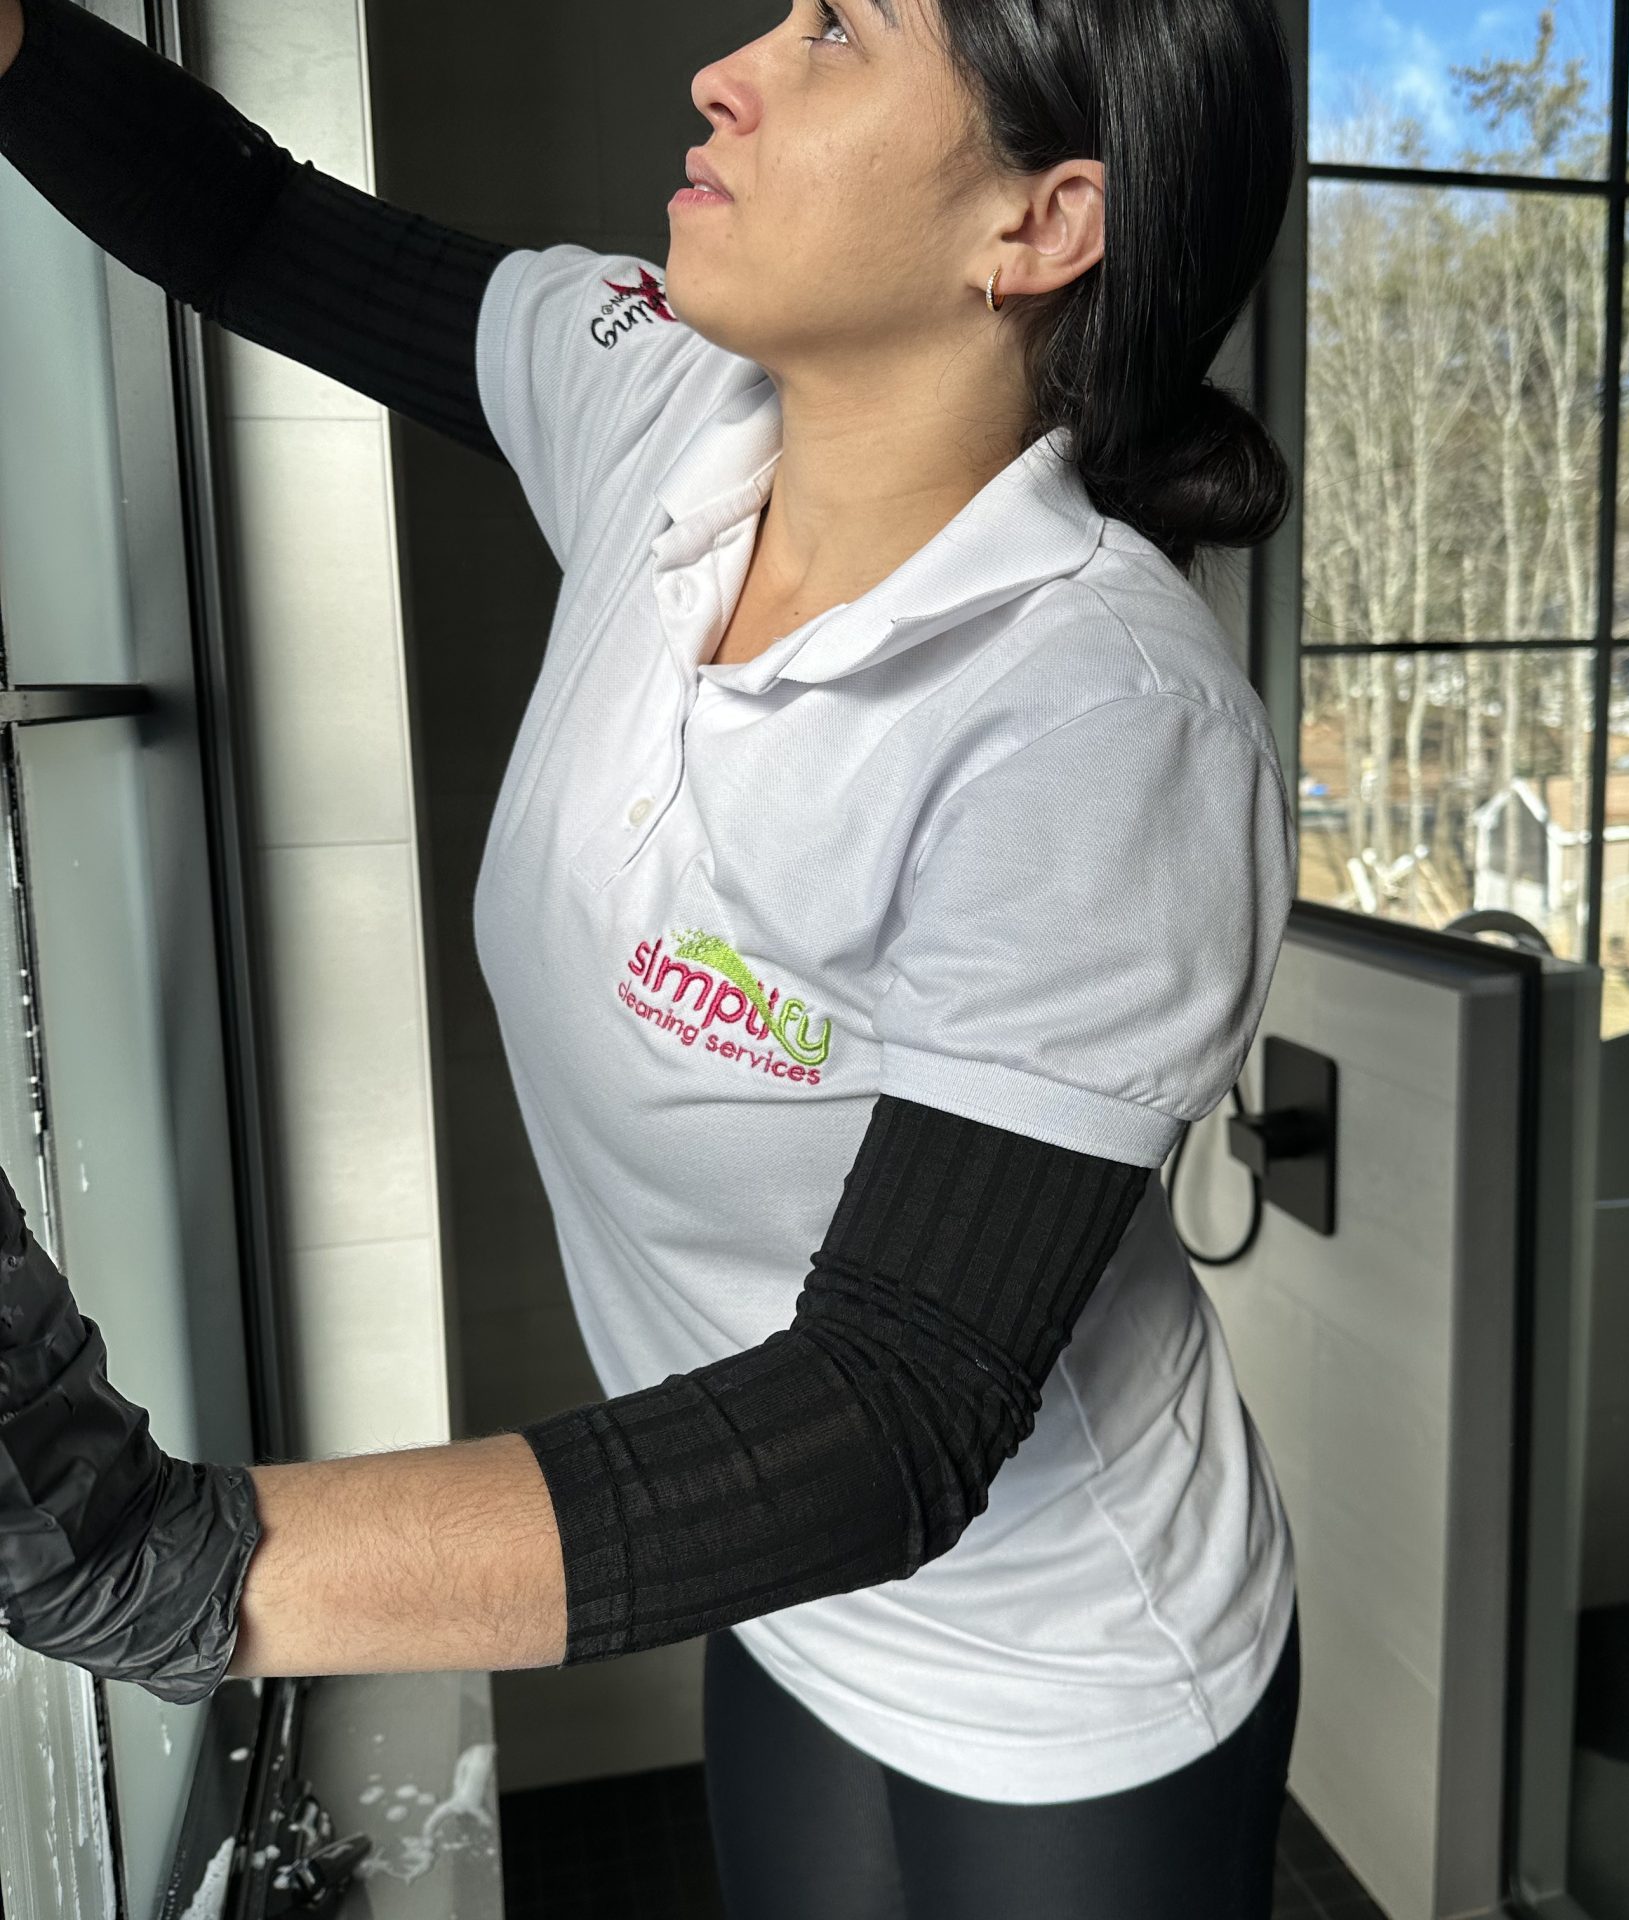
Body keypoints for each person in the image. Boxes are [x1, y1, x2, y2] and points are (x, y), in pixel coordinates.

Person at [0, 0, 1305, 1912]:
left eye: (837, 36)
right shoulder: (663, 406)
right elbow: (258, 232)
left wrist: (186, 1566)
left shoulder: (1099, 723)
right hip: (785, 1595)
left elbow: (899, 1404)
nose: (731, 66)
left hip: (1066, 1671)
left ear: (1037, 226)